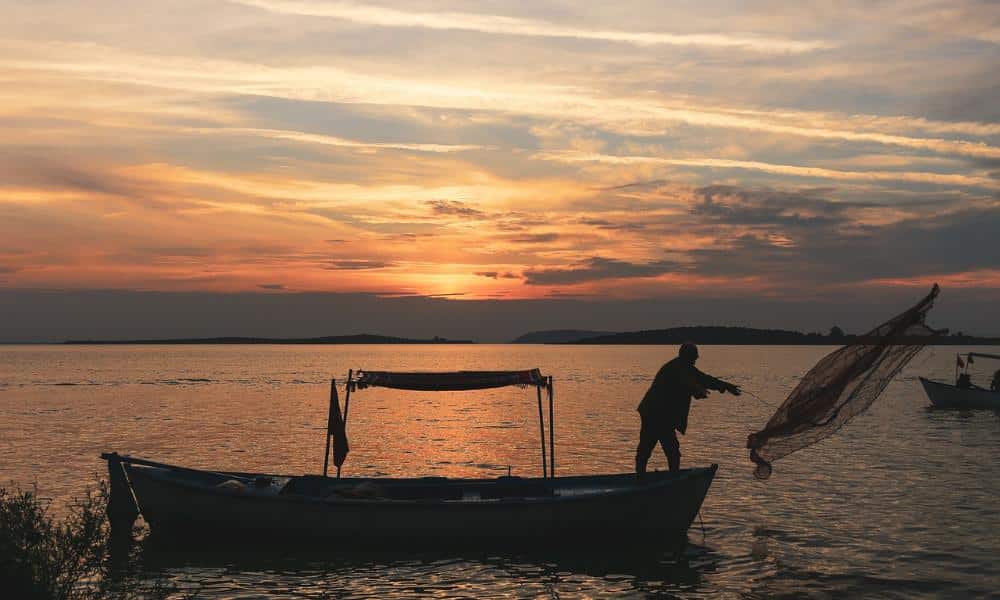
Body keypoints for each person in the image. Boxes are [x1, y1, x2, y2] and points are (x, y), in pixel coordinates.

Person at [636, 343, 740, 478]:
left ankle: (648, 477)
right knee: (662, 448)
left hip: (660, 414)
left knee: (661, 448)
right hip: (655, 413)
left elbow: (704, 379)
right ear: (687, 356)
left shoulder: (686, 368)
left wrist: (726, 386)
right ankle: (663, 479)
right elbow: (689, 384)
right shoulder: (678, 368)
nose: (696, 359)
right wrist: (699, 390)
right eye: (694, 357)